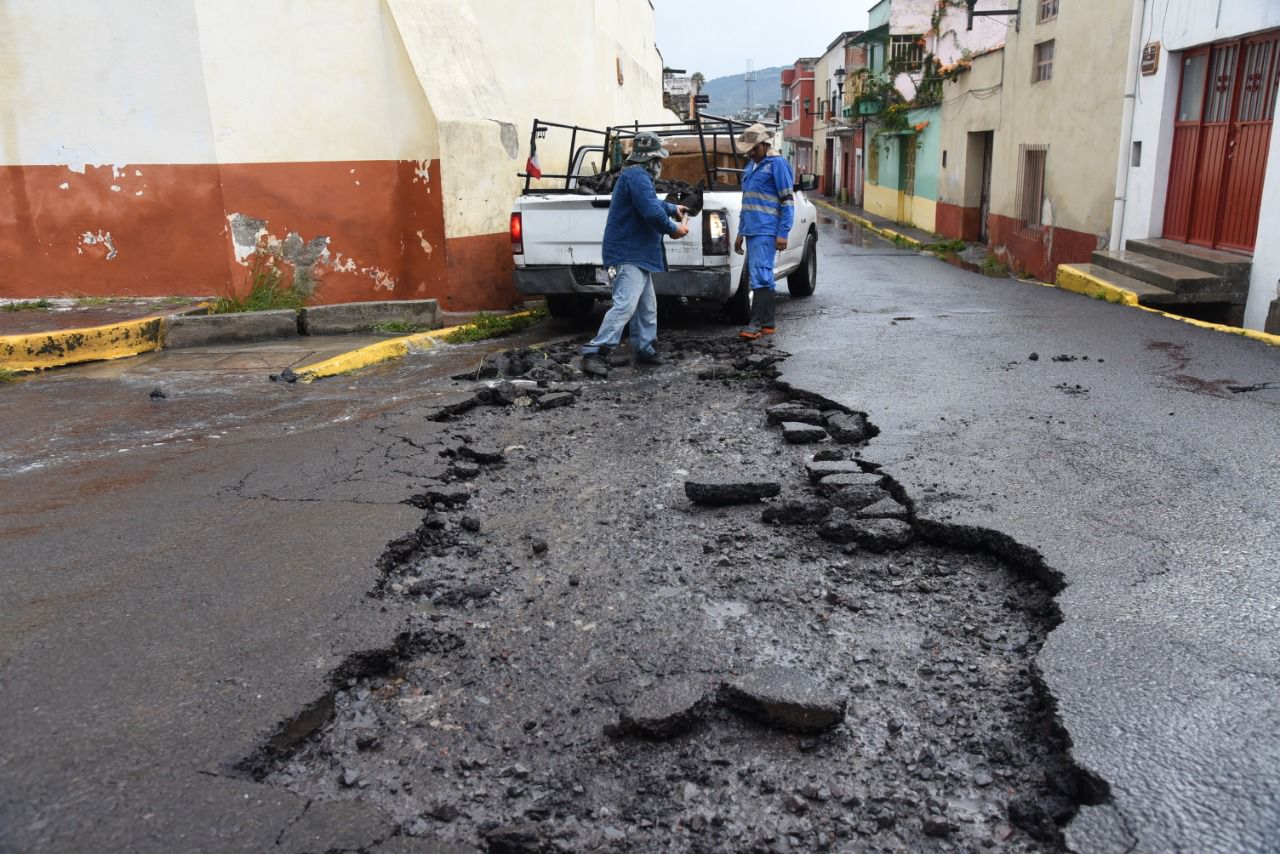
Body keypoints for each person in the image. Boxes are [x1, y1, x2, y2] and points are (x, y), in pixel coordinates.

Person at [580, 132, 689, 378]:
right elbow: (651, 211)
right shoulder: (638, 177)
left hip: (636, 253)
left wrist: (673, 208)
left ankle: (645, 350)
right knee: (625, 306)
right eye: (658, 160)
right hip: (628, 253)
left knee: (646, 307)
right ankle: (595, 353)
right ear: (651, 160)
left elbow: (651, 203)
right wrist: (674, 228)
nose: (660, 165)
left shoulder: (635, 177)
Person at [733, 123, 795, 339]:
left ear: (765, 144)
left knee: (760, 275)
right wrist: (741, 232)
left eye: (755, 149)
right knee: (761, 274)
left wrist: (783, 233)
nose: (751, 153)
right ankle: (767, 324)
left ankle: (756, 324)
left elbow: (787, 201)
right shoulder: (750, 167)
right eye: (748, 150)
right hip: (752, 229)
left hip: (767, 229)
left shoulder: (777, 164)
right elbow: (746, 203)